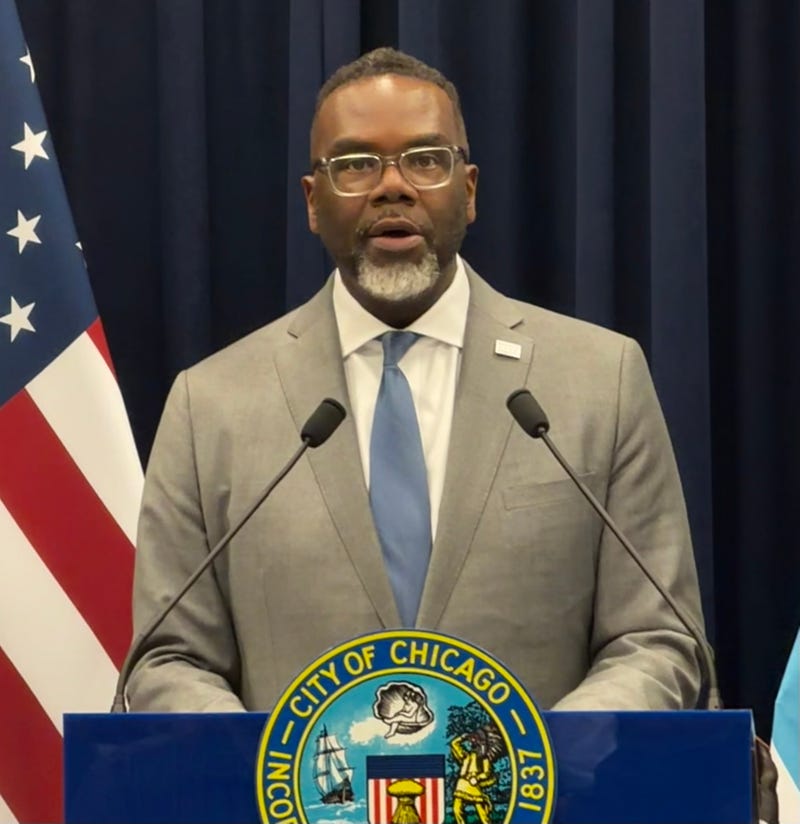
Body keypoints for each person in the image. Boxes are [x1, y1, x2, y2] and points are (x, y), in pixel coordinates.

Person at [126, 47, 706, 713]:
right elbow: (168, 657)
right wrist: (275, 769)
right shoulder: (212, 404)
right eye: (355, 165)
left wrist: (538, 763)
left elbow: (657, 638)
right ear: (313, 203)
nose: (392, 186)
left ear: (469, 189)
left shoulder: (600, 381)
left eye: (427, 159)